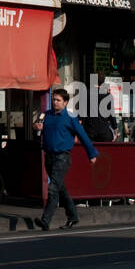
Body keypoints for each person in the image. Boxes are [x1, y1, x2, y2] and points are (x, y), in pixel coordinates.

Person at [33, 88, 98, 231]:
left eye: (58, 100)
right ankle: (73, 216)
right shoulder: (47, 115)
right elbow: (37, 125)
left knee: (53, 188)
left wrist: (91, 154)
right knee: (61, 189)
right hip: (49, 156)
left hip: (62, 157)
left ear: (65, 102)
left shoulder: (70, 117)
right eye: (54, 100)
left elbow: (83, 136)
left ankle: (46, 220)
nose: (55, 102)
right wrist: (37, 126)